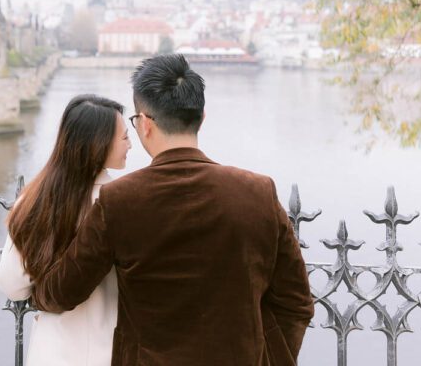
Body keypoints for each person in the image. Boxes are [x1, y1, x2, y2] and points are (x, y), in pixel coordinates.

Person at [34, 54, 314, 366]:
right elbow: (296, 302)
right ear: (202, 117)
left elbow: (64, 291)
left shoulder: (119, 200)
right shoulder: (257, 192)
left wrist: (34, 283)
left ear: (145, 124)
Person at [0, 94, 131, 366]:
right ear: (100, 144)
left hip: (54, 350)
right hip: (112, 351)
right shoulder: (124, 202)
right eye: (125, 137)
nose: (131, 143)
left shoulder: (35, 201)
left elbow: (12, 285)